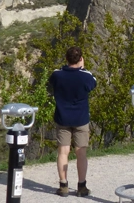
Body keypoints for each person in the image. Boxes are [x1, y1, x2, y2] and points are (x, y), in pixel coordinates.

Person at [49, 46, 97, 197]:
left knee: (63, 152)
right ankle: (81, 186)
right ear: (81, 59)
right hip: (81, 119)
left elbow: (52, 81)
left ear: (66, 59)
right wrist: (82, 69)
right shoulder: (86, 76)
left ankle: (63, 185)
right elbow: (92, 84)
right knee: (80, 152)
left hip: (63, 118)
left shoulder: (57, 75)